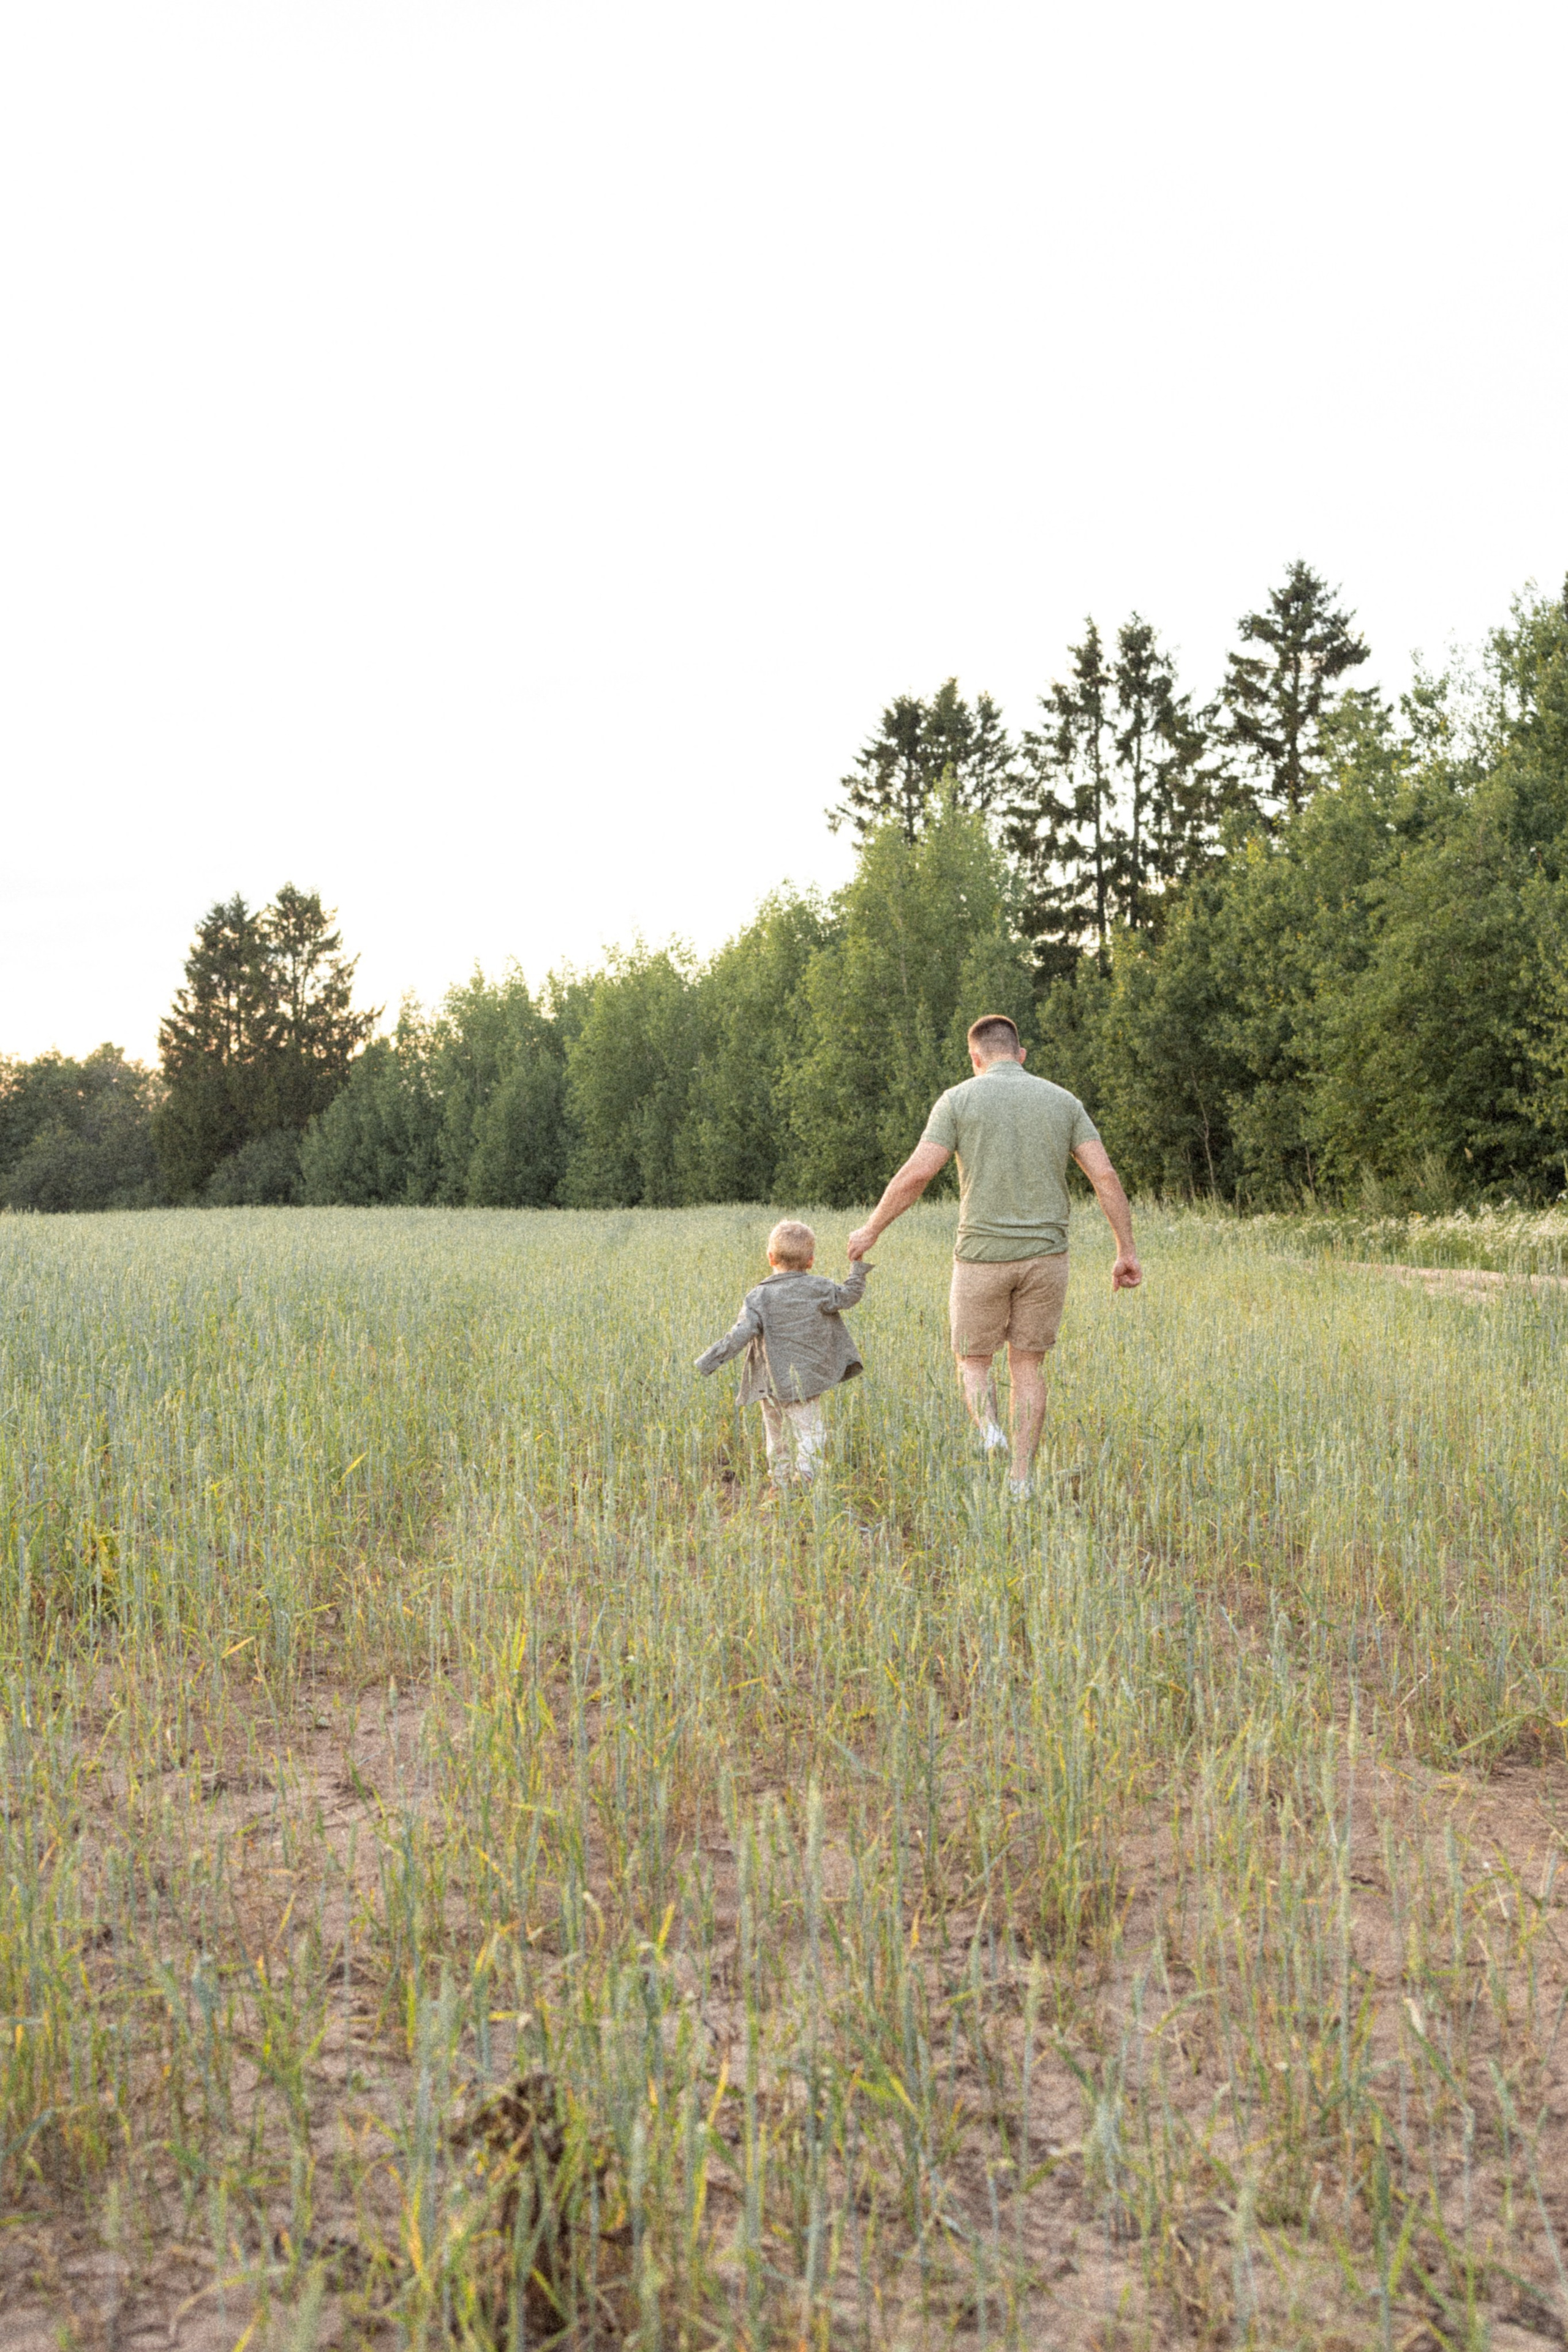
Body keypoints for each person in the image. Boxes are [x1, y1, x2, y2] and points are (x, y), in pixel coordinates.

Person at [846, 1014, 1140, 1500]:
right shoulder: (1064, 1101)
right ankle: (1021, 1478)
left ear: (975, 1058)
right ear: (1021, 1055)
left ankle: (990, 1433)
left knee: (973, 1362)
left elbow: (918, 1173)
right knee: (1028, 1367)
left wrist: (872, 1228)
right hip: (1047, 1258)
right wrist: (1125, 1251)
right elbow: (1105, 1176)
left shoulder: (958, 1099)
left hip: (980, 1258)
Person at [695, 1219, 870, 1490]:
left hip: (771, 1383)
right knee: (811, 1434)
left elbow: (740, 1335)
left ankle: (779, 1485)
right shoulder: (820, 1288)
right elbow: (850, 1296)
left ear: (770, 1257)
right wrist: (857, 1267)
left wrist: (709, 1360)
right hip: (806, 1381)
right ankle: (806, 1479)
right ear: (810, 1261)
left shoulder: (758, 1297)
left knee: (776, 1438)